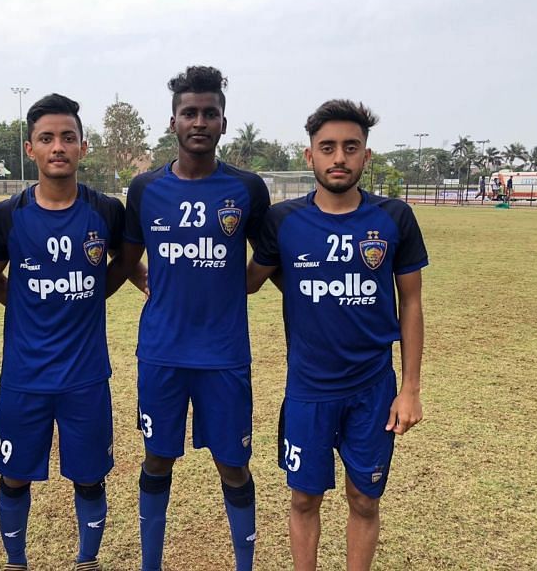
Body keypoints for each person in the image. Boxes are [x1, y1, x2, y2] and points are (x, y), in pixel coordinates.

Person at [247, 99, 428, 571]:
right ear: (310, 157)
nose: (339, 158)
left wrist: (410, 389)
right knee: (304, 499)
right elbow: (245, 281)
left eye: (351, 147)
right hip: (308, 390)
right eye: (327, 148)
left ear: (367, 155)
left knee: (364, 500)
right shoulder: (283, 221)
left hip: (373, 389)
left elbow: (411, 302)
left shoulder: (394, 218)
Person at [107, 66, 270, 571]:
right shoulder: (145, 188)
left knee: (234, 465)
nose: (199, 121)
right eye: (189, 113)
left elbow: (264, 258)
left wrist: (232, 282)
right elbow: (128, 254)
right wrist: (144, 281)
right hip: (162, 352)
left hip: (224, 356)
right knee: (157, 459)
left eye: (209, 113)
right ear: (173, 122)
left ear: (224, 122)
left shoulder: (247, 188)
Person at [0, 93, 142, 571]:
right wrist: (30, 301)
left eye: (68, 137)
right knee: (13, 478)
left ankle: (87, 560)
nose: (58, 147)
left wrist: (89, 294)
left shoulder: (106, 211)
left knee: (90, 478)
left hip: (85, 377)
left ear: (83, 146)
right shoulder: (7, 215)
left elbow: (124, 265)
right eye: (46, 138)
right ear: (31, 149)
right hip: (23, 378)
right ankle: (16, 561)